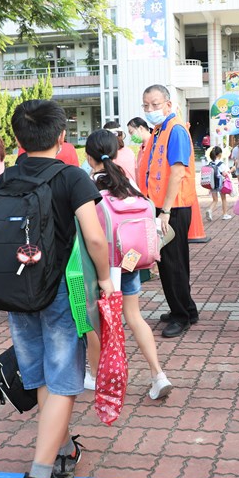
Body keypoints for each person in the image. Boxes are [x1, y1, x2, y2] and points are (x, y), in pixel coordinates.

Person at [4, 99, 113, 478]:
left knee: (42, 377)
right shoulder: (72, 178)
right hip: (64, 291)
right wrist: (104, 281)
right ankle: (39, 477)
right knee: (65, 379)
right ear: (62, 136)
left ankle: (63, 446)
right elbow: (96, 236)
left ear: (18, 138)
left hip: (18, 290)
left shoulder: (6, 178)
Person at [84, 129, 173, 400]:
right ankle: (159, 375)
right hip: (130, 262)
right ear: (115, 151)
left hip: (101, 269)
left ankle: (100, 378)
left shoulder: (90, 186)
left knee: (95, 325)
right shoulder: (127, 183)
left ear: (89, 157)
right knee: (134, 318)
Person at [137, 85, 200, 338]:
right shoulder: (160, 129)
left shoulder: (175, 130)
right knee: (170, 263)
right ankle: (186, 309)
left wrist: (165, 210)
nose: (151, 110)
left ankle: (180, 316)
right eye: (146, 106)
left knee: (173, 264)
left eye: (155, 104)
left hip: (171, 208)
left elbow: (177, 171)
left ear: (168, 104)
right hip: (163, 207)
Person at [204, 146, 231, 221]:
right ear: (219, 154)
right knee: (223, 198)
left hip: (212, 184)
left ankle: (209, 210)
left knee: (215, 200)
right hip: (220, 183)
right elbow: (224, 174)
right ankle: (225, 214)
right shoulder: (220, 164)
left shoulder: (210, 163)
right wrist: (230, 171)